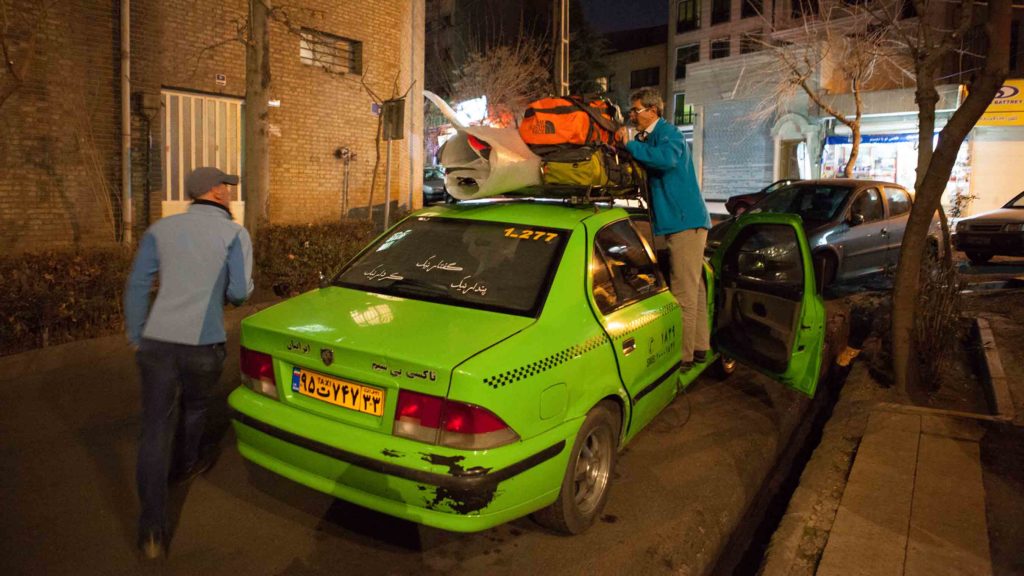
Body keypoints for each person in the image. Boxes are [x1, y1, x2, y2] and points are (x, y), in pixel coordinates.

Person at [124, 166, 253, 561]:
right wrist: (228, 297)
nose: (229, 192)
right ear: (213, 193)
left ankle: (151, 529)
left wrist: (136, 336)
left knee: (154, 430)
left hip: (156, 344)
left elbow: (137, 285)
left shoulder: (160, 230)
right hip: (203, 345)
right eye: (226, 187)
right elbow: (240, 292)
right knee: (195, 406)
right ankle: (187, 464)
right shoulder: (234, 234)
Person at [617, 87, 711, 368]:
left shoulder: (670, 135)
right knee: (694, 290)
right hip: (683, 222)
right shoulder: (654, 137)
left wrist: (631, 145)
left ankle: (682, 357)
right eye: (631, 110)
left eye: (636, 110)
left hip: (686, 223)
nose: (632, 115)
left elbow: (665, 159)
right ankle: (699, 347)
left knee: (683, 293)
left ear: (653, 111)